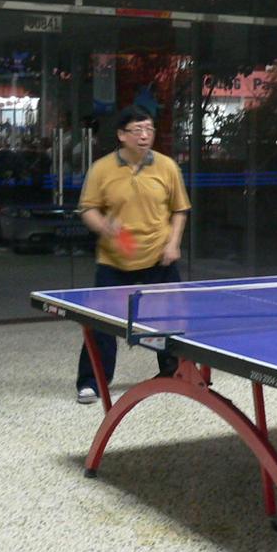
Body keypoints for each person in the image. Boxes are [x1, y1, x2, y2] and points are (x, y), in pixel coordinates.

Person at [75, 104, 190, 404]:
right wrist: (104, 226)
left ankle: (173, 373)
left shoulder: (167, 166)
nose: (144, 135)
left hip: (158, 257)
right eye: (137, 130)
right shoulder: (102, 169)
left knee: (169, 320)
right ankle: (92, 381)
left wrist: (173, 243)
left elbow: (179, 209)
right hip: (115, 260)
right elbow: (88, 209)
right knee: (102, 323)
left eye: (149, 129)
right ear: (121, 135)